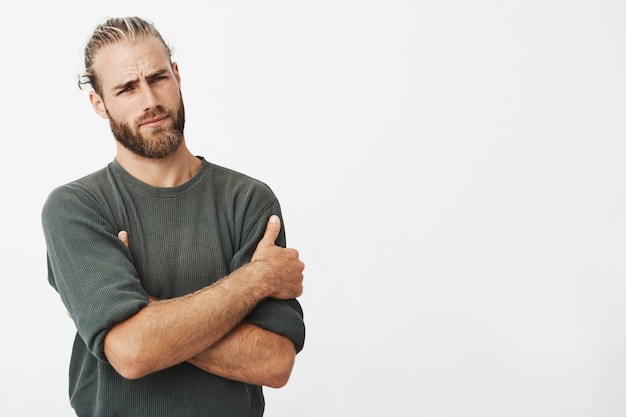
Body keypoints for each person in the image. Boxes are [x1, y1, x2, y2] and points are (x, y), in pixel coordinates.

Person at [41, 16, 305, 417]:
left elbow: (274, 362)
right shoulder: (76, 208)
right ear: (99, 103)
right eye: (127, 88)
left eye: (157, 78)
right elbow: (132, 355)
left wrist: (146, 314)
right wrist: (257, 278)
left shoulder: (248, 201)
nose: (149, 101)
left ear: (177, 76)